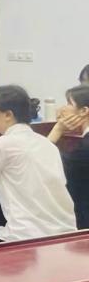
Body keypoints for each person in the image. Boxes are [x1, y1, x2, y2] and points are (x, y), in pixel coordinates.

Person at [0, 85, 76, 243]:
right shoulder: (46, 144)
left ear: (8, 114)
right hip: (65, 232)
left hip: (26, 236)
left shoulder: (5, 144)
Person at [49, 84, 89, 229]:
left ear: (84, 111)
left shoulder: (84, 148)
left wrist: (57, 129)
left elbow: (43, 161)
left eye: (68, 103)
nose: (61, 109)